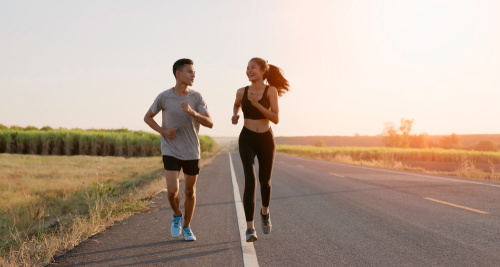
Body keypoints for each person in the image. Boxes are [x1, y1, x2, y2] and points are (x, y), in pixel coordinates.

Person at [144, 58, 213, 241]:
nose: (193, 75)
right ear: (178, 74)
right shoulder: (164, 97)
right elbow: (148, 117)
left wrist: (193, 113)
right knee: (172, 191)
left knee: (190, 191)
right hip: (171, 149)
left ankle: (187, 227)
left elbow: (210, 123)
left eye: (194, 72)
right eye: (189, 71)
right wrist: (164, 132)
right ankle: (176, 214)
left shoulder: (196, 97)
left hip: (191, 151)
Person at [231, 57, 290, 242]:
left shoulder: (270, 91)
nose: (249, 71)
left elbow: (275, 118)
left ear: (263, 70)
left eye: (253, 68)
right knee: (250, 180)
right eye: (247, 68)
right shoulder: (241, 91)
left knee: (265, 181)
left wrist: (257, 106)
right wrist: (235, 115)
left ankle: (265, 212)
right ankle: (250, 228)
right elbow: (236, 104)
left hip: (265, 138)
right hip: (247, 138)